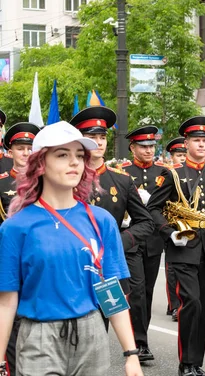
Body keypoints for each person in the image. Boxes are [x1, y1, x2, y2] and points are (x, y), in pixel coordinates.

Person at [0, 121, 143, 376]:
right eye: (63, 155)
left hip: (92, 333)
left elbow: (111, 293)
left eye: (79, 155)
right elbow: (7, 302)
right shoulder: (16, 227)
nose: (74, 162)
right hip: (38, 337)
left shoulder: (101, 221)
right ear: (41, 163)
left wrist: (131, 355)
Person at [146, 116, 205, 376]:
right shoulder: (172, 174)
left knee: (202, 305)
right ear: (186, 143)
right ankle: (186, 362)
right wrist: (168, 232)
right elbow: (153, 208)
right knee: (192, 303)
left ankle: (197, 362)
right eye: (196, 140)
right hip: (183, 246)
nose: (201, 145)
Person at [70, 106, 155, 360]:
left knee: (106, 318)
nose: (98, 142)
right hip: (75, 260)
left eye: (103, 137)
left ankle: (133, 349)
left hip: (108, 264)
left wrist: (119, 240)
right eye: (92, 137)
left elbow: (145, 222)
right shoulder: (68, 176)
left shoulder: (122, 180)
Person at [121, 126, 166, 357]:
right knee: (136, 291)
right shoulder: (123, 172)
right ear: (132, 148)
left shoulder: (165, 172)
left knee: (147, 291)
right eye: (143, 146)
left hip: (154, 240)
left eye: (151, 146)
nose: (149, 150)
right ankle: (139, 342)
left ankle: (141, 336)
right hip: (131, 239)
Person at [0, 122, 40, 376]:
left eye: (30, 148)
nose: (26, 153)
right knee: (12, 319)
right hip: (10, 259)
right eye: (20, 148)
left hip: (39, 261)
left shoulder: (46, 183)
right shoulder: (1, 183)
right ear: (10, 151)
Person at [165, 137, 187, 321]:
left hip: (189, 228)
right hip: (171, 226)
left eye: (183, 155)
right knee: (172, 269)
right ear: (171, 156)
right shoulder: (168, 174)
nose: (182, 158)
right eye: (179, 155)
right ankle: (174, 304)